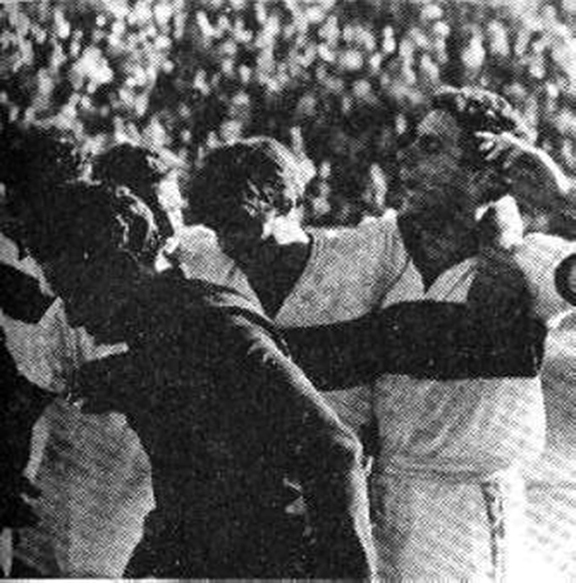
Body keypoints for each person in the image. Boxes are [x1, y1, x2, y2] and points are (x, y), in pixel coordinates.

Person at [183, 90, 576, 580]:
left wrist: (562, 195)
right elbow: (268, 251)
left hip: (467, 518)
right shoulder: (379, 250)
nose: (405, 156)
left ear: (484, 176)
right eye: (413, 142)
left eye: (430, 147)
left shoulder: (526, 263)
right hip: (385, 501)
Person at [16, 177, 377, 579]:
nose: (73, 317)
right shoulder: (160, 331)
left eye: (77, 293)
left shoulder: (216, 328)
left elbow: (334, 449)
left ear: (122, 267)